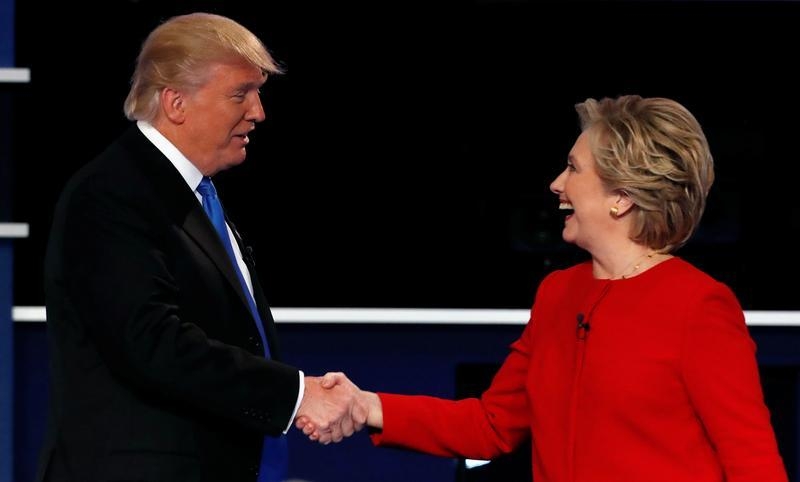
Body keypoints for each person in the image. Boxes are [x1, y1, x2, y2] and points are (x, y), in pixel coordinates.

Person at [299, 95, 790, 481]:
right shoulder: (558, 293)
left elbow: (754, 464)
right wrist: (366, 406)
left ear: (621, 197)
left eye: (574, 169)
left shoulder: (699, 306)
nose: (557, 184)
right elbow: (491, 426)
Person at [37, 12, 364, 482]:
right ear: (175, 102)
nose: (258, 111)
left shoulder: (190, 194)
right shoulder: (110, 194)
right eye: (240, 93)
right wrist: (295, 394)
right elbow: (153, 343)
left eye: (258, 92)